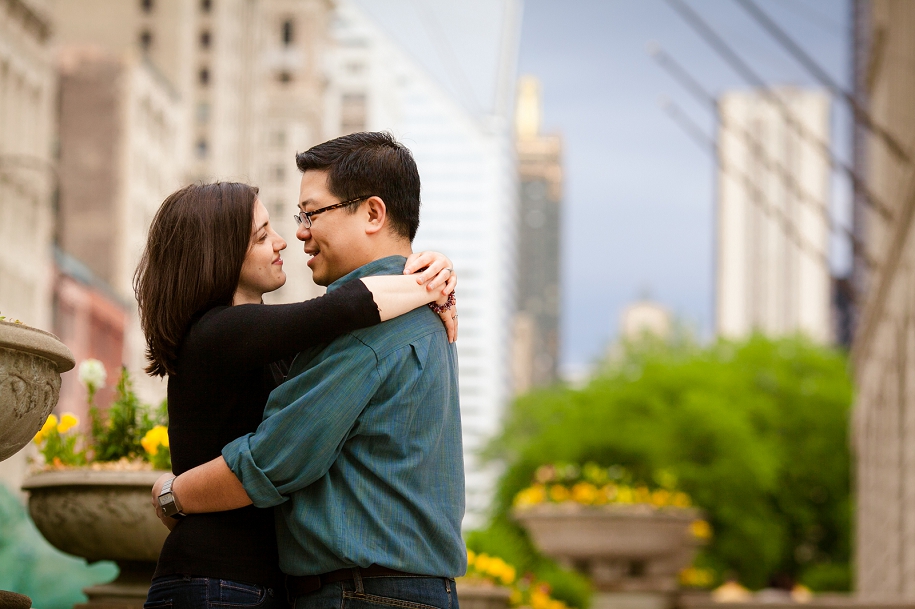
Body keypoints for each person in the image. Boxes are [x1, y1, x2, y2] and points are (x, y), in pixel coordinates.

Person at [150, 132, 466, 609]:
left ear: (373, 213)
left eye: (311, 213)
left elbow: (277, 458)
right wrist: (429, 278)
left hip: (365, 592)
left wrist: (174, 494)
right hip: (351, 587)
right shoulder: (407, 312)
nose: (294, 234)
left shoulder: (372, 326)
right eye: (270, 230)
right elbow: (331, 312)